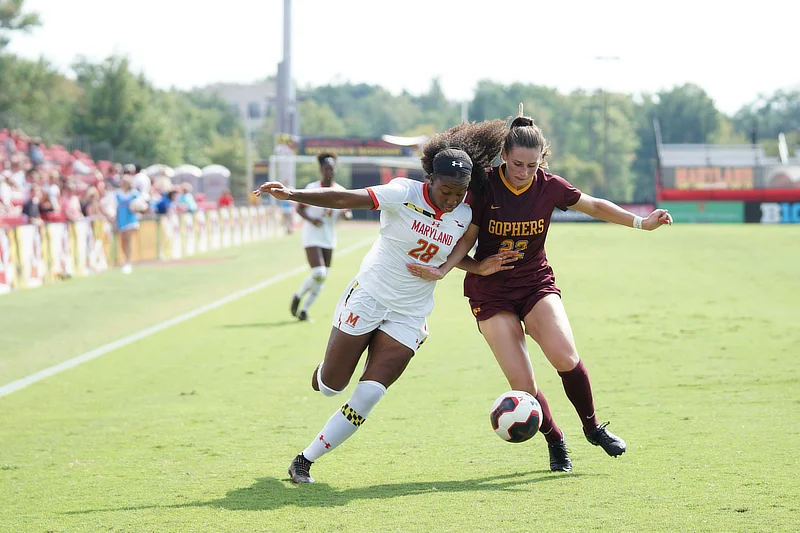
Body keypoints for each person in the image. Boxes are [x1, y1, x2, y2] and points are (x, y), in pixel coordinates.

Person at [408, 106, 673, 471]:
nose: (525, 173)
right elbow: (465, 237)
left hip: (535, 284)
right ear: (504, 156)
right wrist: (443, 269)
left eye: (533, 166)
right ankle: (555, 439)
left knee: (565, 356)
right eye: (518, 164)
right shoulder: (484, 186)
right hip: (490, 292)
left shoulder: (550, 187)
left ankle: (593, 428)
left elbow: (594, 205)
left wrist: (642, 222)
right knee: (523, 383)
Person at [253, 120, 517, 484]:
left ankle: (304, 460)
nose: (453, 199)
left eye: (461, 192)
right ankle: (327, 367)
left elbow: (452, 254)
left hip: (410, 314)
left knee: (370, 394)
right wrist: (293, 194)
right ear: (431, 179)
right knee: (331, 385)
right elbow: (348, 198)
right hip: (369, 297)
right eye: (446, 191)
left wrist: (479, 267)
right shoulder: (402, 192)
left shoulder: (466, 215)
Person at [289, 153, 353, 322]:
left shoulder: (340, 190)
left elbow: (345, 212)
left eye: (331, 168)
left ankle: (304, 310)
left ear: (335, 169)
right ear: (321, 170)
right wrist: (311, 219)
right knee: (319, 271)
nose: (328, 171)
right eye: (325, 168)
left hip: (329, 236)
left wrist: (346, 215)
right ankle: (298, 295)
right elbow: (299, 208)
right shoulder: (312, 188)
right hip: (312, 234)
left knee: (323, 276)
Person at [115, 176, 142, 274]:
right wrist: (115, 221)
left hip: (131, 220)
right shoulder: (118, 194)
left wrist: (137, 208)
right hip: (121, 220)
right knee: (123, 241)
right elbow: (116, 208)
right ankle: (125, 258)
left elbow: (140, 206)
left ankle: (128, 261)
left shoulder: (134, 194)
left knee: (128, 238)